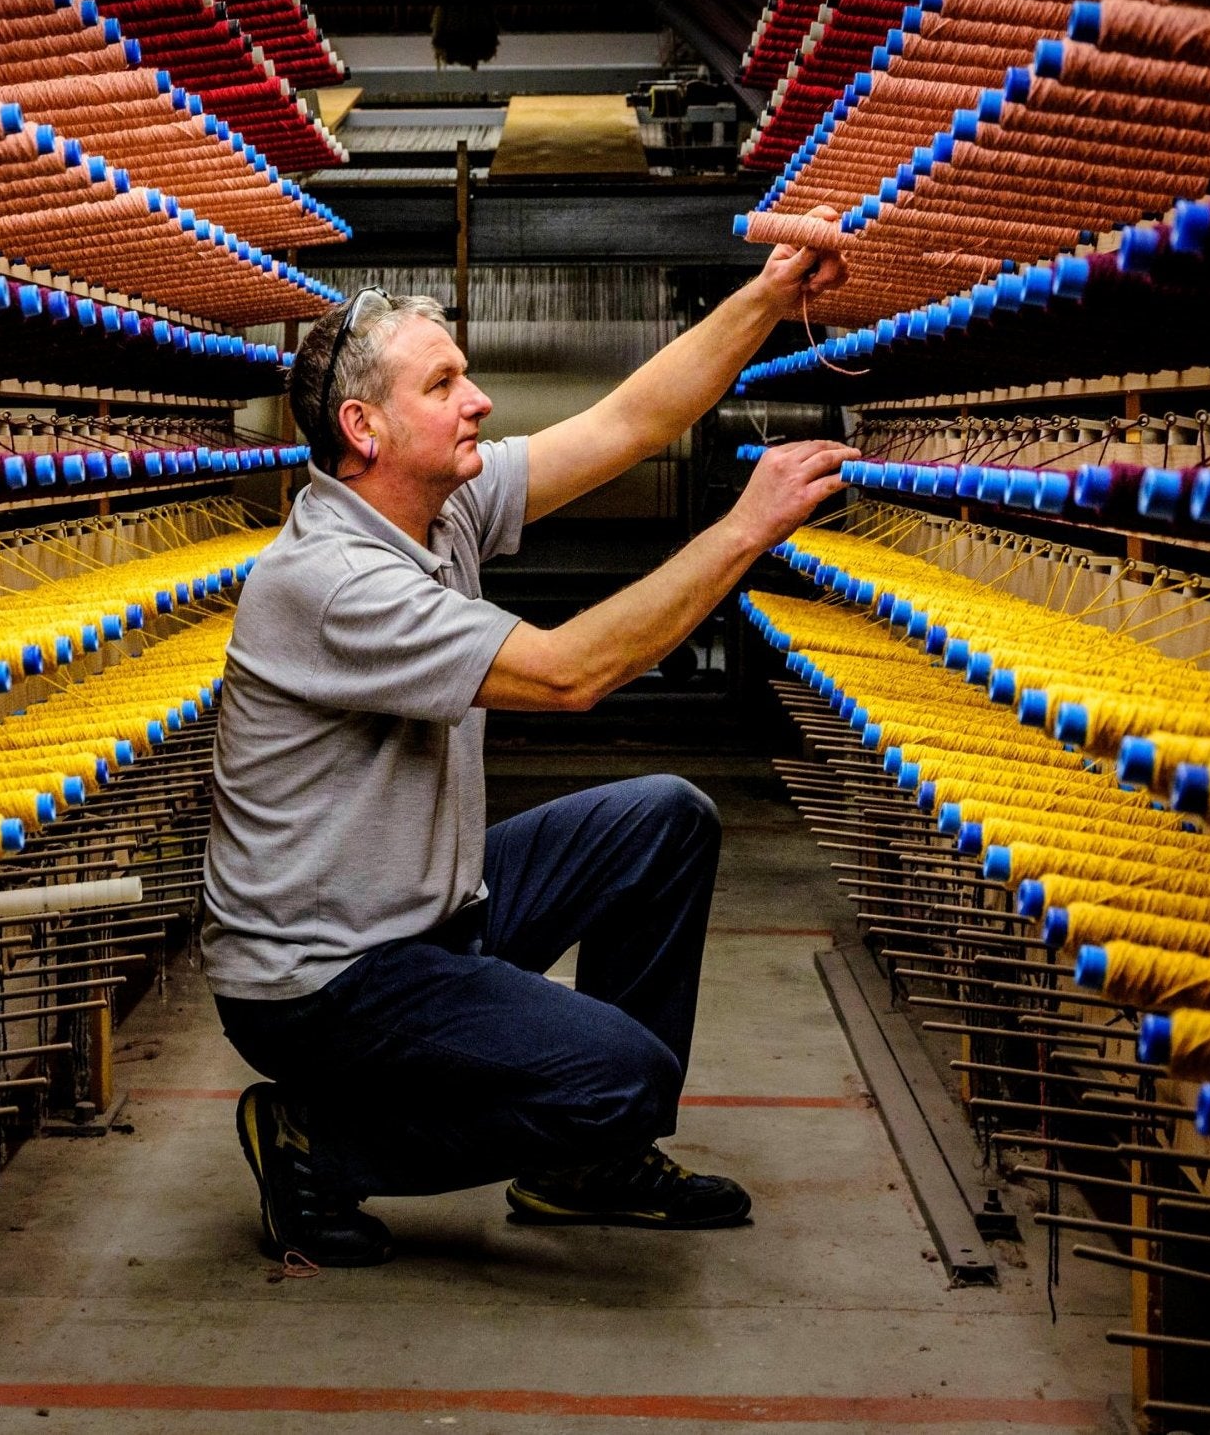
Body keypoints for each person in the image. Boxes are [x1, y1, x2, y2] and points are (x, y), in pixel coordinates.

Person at [204, 223, 854, 1267]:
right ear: (365, 429)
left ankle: (587, 1165)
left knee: (663, 823)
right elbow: (569, 673)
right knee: (625, 1078)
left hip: (425, 911)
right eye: (446, 384)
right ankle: (323, 1144)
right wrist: (743, 531)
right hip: (325, 982)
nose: (481, 401)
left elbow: (632, 421)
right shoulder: (331, 581)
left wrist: (771, 294)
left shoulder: (436, 509)